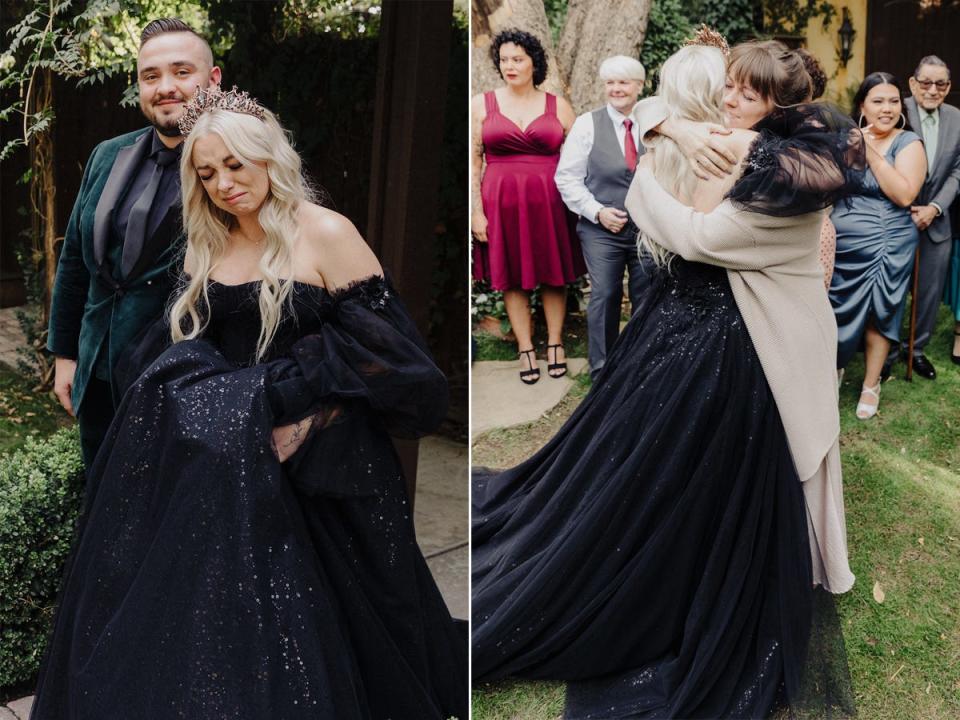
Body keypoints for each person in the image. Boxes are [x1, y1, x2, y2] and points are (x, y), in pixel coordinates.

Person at [30, 87, 467, 720]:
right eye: (206, 173)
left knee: (330, 627)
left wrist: (300, 416)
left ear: (269, 157)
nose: (223, 184)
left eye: (235, 164)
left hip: (317, 459)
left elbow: (395, 362)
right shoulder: (207, 241)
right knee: (210, 617)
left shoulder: (325, 233)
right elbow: (173, 353)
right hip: (221, 460)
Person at [472, 37, 860, 719]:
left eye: (749, 92)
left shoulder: (791, 174)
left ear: (780, 105)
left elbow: (697, 237)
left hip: (745, 347)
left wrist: (648, 175)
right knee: (647, 472)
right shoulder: (715, 141)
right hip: (682, 332)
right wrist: (668, 124)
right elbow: (648, 113)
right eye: (730, 86)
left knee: (722, 477)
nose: (732, 99)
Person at [47, 18, 222, 468]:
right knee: (101, 502)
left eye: (182, 72)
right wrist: (65, 354)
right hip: (97, 376)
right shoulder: (108, 154)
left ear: (213, 79)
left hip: (183, 387)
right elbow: (74, 264)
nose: (166, 87)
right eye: (151, 76)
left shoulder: (238, 169)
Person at [471, 29, 584, 384]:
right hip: (501, 203)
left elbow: (579, 160)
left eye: (517, 59)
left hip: (551, 204)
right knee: (513, 279)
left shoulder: (559, 106)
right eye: (504, 60)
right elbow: (474, 162)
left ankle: (554, 343)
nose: (510, 66)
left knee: (554, 274)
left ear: (534, 62)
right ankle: (525, 349)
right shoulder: (480, 104)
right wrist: (476, 211)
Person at [829, 73, 925, 418]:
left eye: (894, 101)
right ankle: (834, 366)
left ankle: (871, 383)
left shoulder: (909, 142)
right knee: (831, 305)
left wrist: (869, 151)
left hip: (888, 237)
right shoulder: (845, 140)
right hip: (840, 240)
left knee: (881, 309)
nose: (887, 108)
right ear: (862, 106)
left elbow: (903, 194)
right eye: (878, 101)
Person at [554, 55, 650, 378]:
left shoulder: (654, 125)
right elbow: (566, 178)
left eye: (623, 82)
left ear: (639, 86)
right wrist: (597, 212)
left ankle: (641, 366)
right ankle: (603, 370)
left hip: (649, 230)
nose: (616, 89)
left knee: (647, 294)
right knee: (606, 293)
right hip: (601, 229)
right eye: (610, 82)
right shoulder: (586, 124)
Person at [891, 55, 960, 379]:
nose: (933, 90)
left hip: (938, 221)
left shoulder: (957, 118)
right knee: (891, 286)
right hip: (894, 215)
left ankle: (915, 349)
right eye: (926, 83)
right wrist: (905, 204)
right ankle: (886, 349)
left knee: (929, 293)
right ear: (912, 83)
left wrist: (934, 208)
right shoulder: (895, 108)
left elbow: (958, 171)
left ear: (949, 86)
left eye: (941, 84)